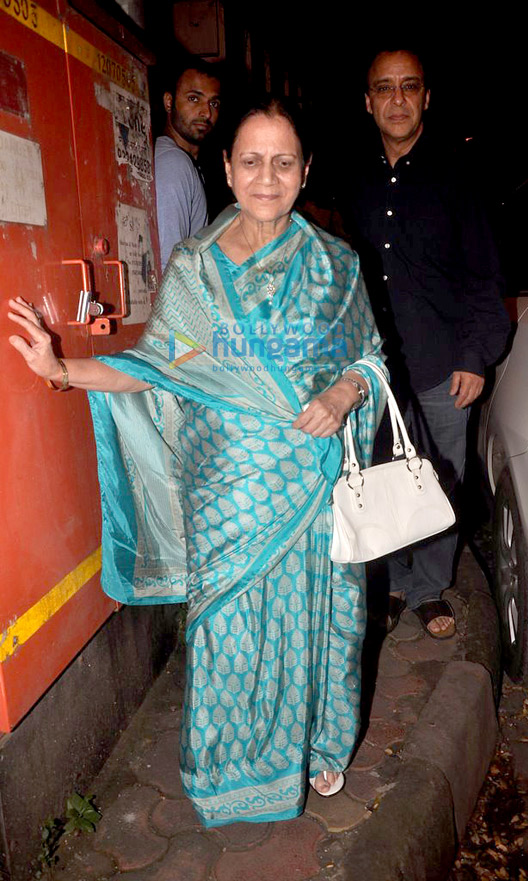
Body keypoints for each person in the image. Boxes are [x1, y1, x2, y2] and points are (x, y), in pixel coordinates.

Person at [8, 99, 387, 827]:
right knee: (229, 630)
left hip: (310, 482)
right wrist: (65, 369)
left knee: (313, 622)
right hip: (224, 490)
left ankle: (314, 745)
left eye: (283, 162)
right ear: (226, 168)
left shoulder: (336, 266)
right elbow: (158, 370)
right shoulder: (195, 268)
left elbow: (369, 359)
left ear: (304, 171)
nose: (266, 176)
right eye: (251, 160)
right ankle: (230, 774)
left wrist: (344, 390)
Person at [344, 48, 510, 639]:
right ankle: (389, 583)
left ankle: (427, 587)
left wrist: (475, 357)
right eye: (383, 88)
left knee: (442, 481)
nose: (396, 99)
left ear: (426, 98)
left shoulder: (459, 176)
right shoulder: (355, 181)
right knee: (381, 473)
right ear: (368, 101)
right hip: (374, 369)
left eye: (408, 87)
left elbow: (487, 277)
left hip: (444, 366)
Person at [155, 60, 221, 270]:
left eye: (214, 103)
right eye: (194, 99)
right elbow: (169, 264)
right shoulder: (174, 163)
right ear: (168, 102)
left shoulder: (185, 162)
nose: (206, 113)